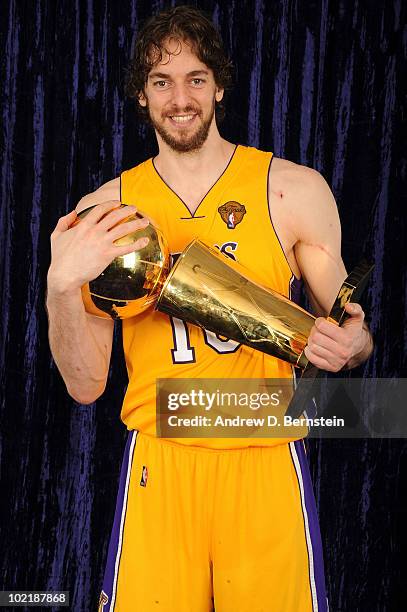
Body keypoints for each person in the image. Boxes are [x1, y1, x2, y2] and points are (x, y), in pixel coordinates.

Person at [46, 6, 373, 612]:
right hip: (161, 460)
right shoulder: (107, 210)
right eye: (161, 82)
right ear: (141, 97)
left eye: (196, 78)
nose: (180, 98)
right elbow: (86, 385)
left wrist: (354, 344)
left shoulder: (292, 189)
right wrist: (60, 285)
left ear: (219, 85)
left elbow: (347, 327)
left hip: (264, 458)